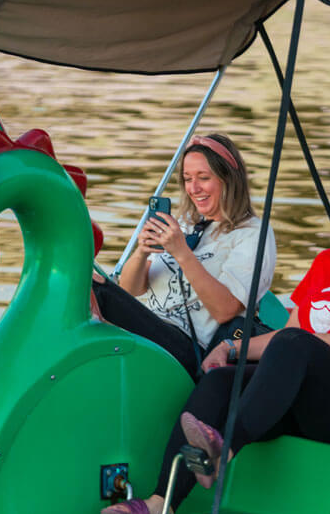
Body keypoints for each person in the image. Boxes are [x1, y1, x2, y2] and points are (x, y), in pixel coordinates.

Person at [102, 152, 330, 514]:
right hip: (307, 398)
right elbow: (285, 337)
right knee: (221, 380)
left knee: (297, 342)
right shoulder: (329, 262)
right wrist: (233, 350)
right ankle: (163, 504)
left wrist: (311, 342)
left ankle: (223, 452)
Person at [92, 133, 276, 380]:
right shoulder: (184, 224)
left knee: (95, 285)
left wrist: (182, 252)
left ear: (229, 180)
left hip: (192, 348)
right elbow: (131, 290)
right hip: (152, 326)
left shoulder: (252, 234)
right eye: (188, 179)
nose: (194, 188)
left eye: (203, 178)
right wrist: (142, 251)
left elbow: (225, 311)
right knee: (88, 282)